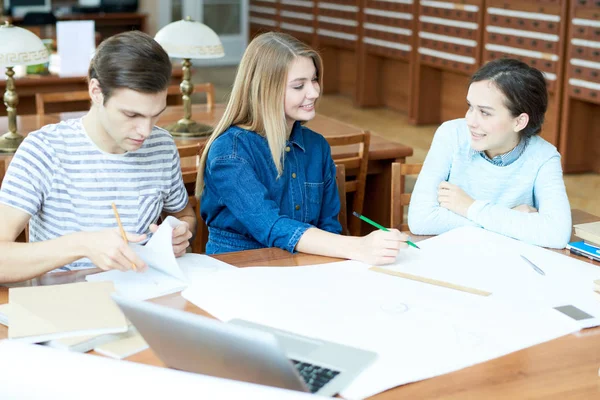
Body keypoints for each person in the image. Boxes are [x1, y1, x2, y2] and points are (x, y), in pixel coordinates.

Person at [0, 31, 196, 283]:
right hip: (65, 304)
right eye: (131, 115)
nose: (145, 132)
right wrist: (82, 245)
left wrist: (181, 234)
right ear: (96, 91)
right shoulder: (44, 149)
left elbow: (184, 216)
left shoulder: (162, 145)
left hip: (144, 292)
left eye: (155, 115)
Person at [197, 32, 407, 265]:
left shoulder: (317, 146)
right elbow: (271, 226)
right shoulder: (230, 151)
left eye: (314, 80)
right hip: (239, 270)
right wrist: (358, 246)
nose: (315, 93)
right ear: (265, 91)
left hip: (303, 268)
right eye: (299, 86)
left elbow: (329, 226)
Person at [408, 58, 571, 248]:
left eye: (485, 112)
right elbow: (421, 218)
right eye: (470, 107)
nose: (470, 120)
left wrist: (469, 207)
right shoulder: (451, 134)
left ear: (519, 122)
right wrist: (509, 218)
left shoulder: (544, 157)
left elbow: (557, 234)